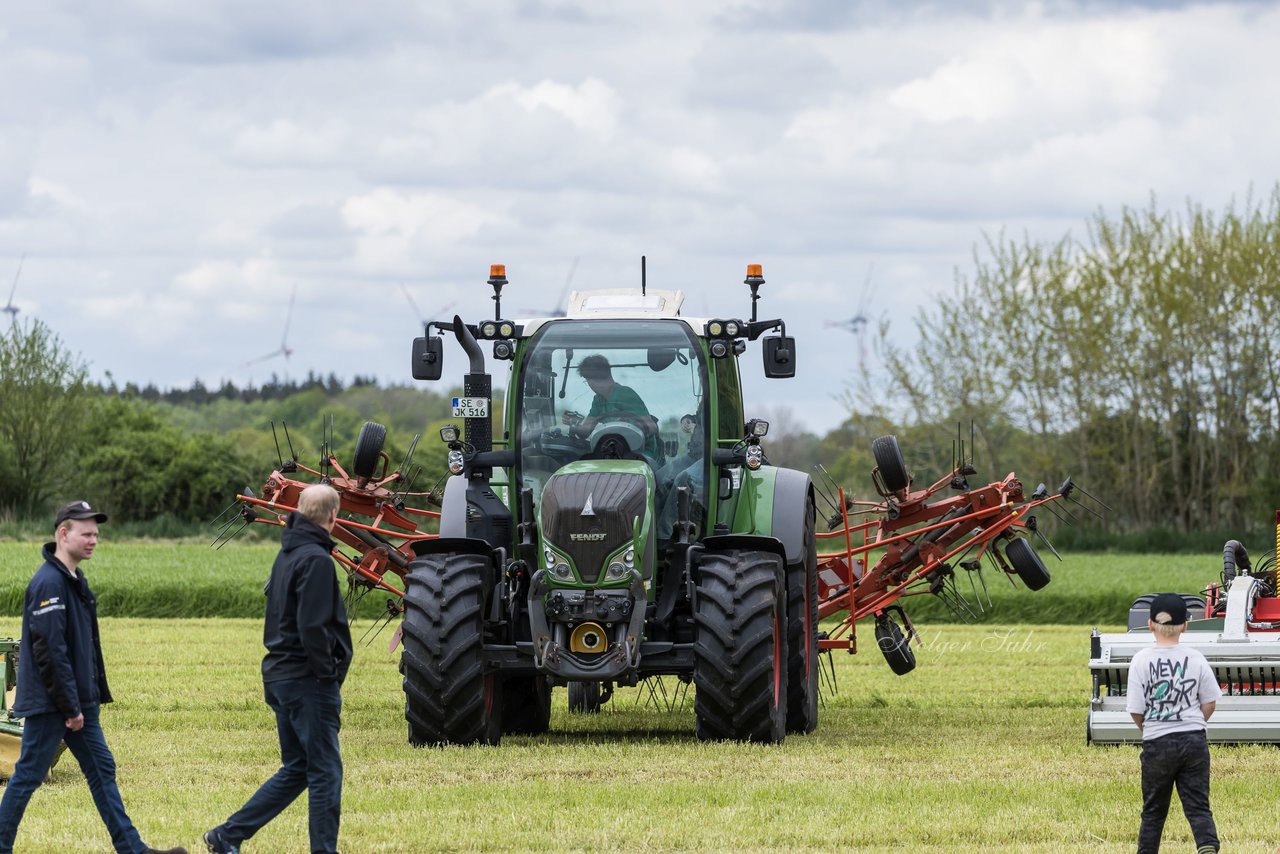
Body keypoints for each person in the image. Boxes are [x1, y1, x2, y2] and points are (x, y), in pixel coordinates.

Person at [0, 501, 187, 854]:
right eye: (86, 533)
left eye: (96, 534)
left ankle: (132, 849)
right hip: (53, 704)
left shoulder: (73, 579)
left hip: (78, 701)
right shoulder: (48, 584)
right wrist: (71, 707)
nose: (93, 540)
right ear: (63, 533)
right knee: (27, 776)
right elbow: (49, 652)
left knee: (102, 770)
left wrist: (86, 698)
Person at [204, 484, 351, 854]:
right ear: (334, 517)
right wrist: (326, 674)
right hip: (306, 680)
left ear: (300, 510)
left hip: (280, 674)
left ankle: (227, 835)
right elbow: (312, 626)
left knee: (299, 768)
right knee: (325, 773)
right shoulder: (316, 560)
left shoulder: (287, 554)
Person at [1126, 592, 1221, 854]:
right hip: (1193, 741)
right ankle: (1207, 844)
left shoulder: (1140, 660)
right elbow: (1210, 701)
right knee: (1198, 805)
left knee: (1154, 811)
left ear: (1149, 624)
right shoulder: (1196, 658)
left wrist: (1151, 728)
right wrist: (1194, 723)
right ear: (1186, 625)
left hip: (1157, 743)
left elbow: (1135, 709)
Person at [563, 354, 659, 458]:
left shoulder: (625, 394)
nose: (589, 384)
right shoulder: (598, 400)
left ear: (592, 380)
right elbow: (585, 432)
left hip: (642, 455)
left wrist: (628, 428)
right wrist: (573, 424)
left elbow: (651, 427)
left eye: (587, 380)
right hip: (614, 454)